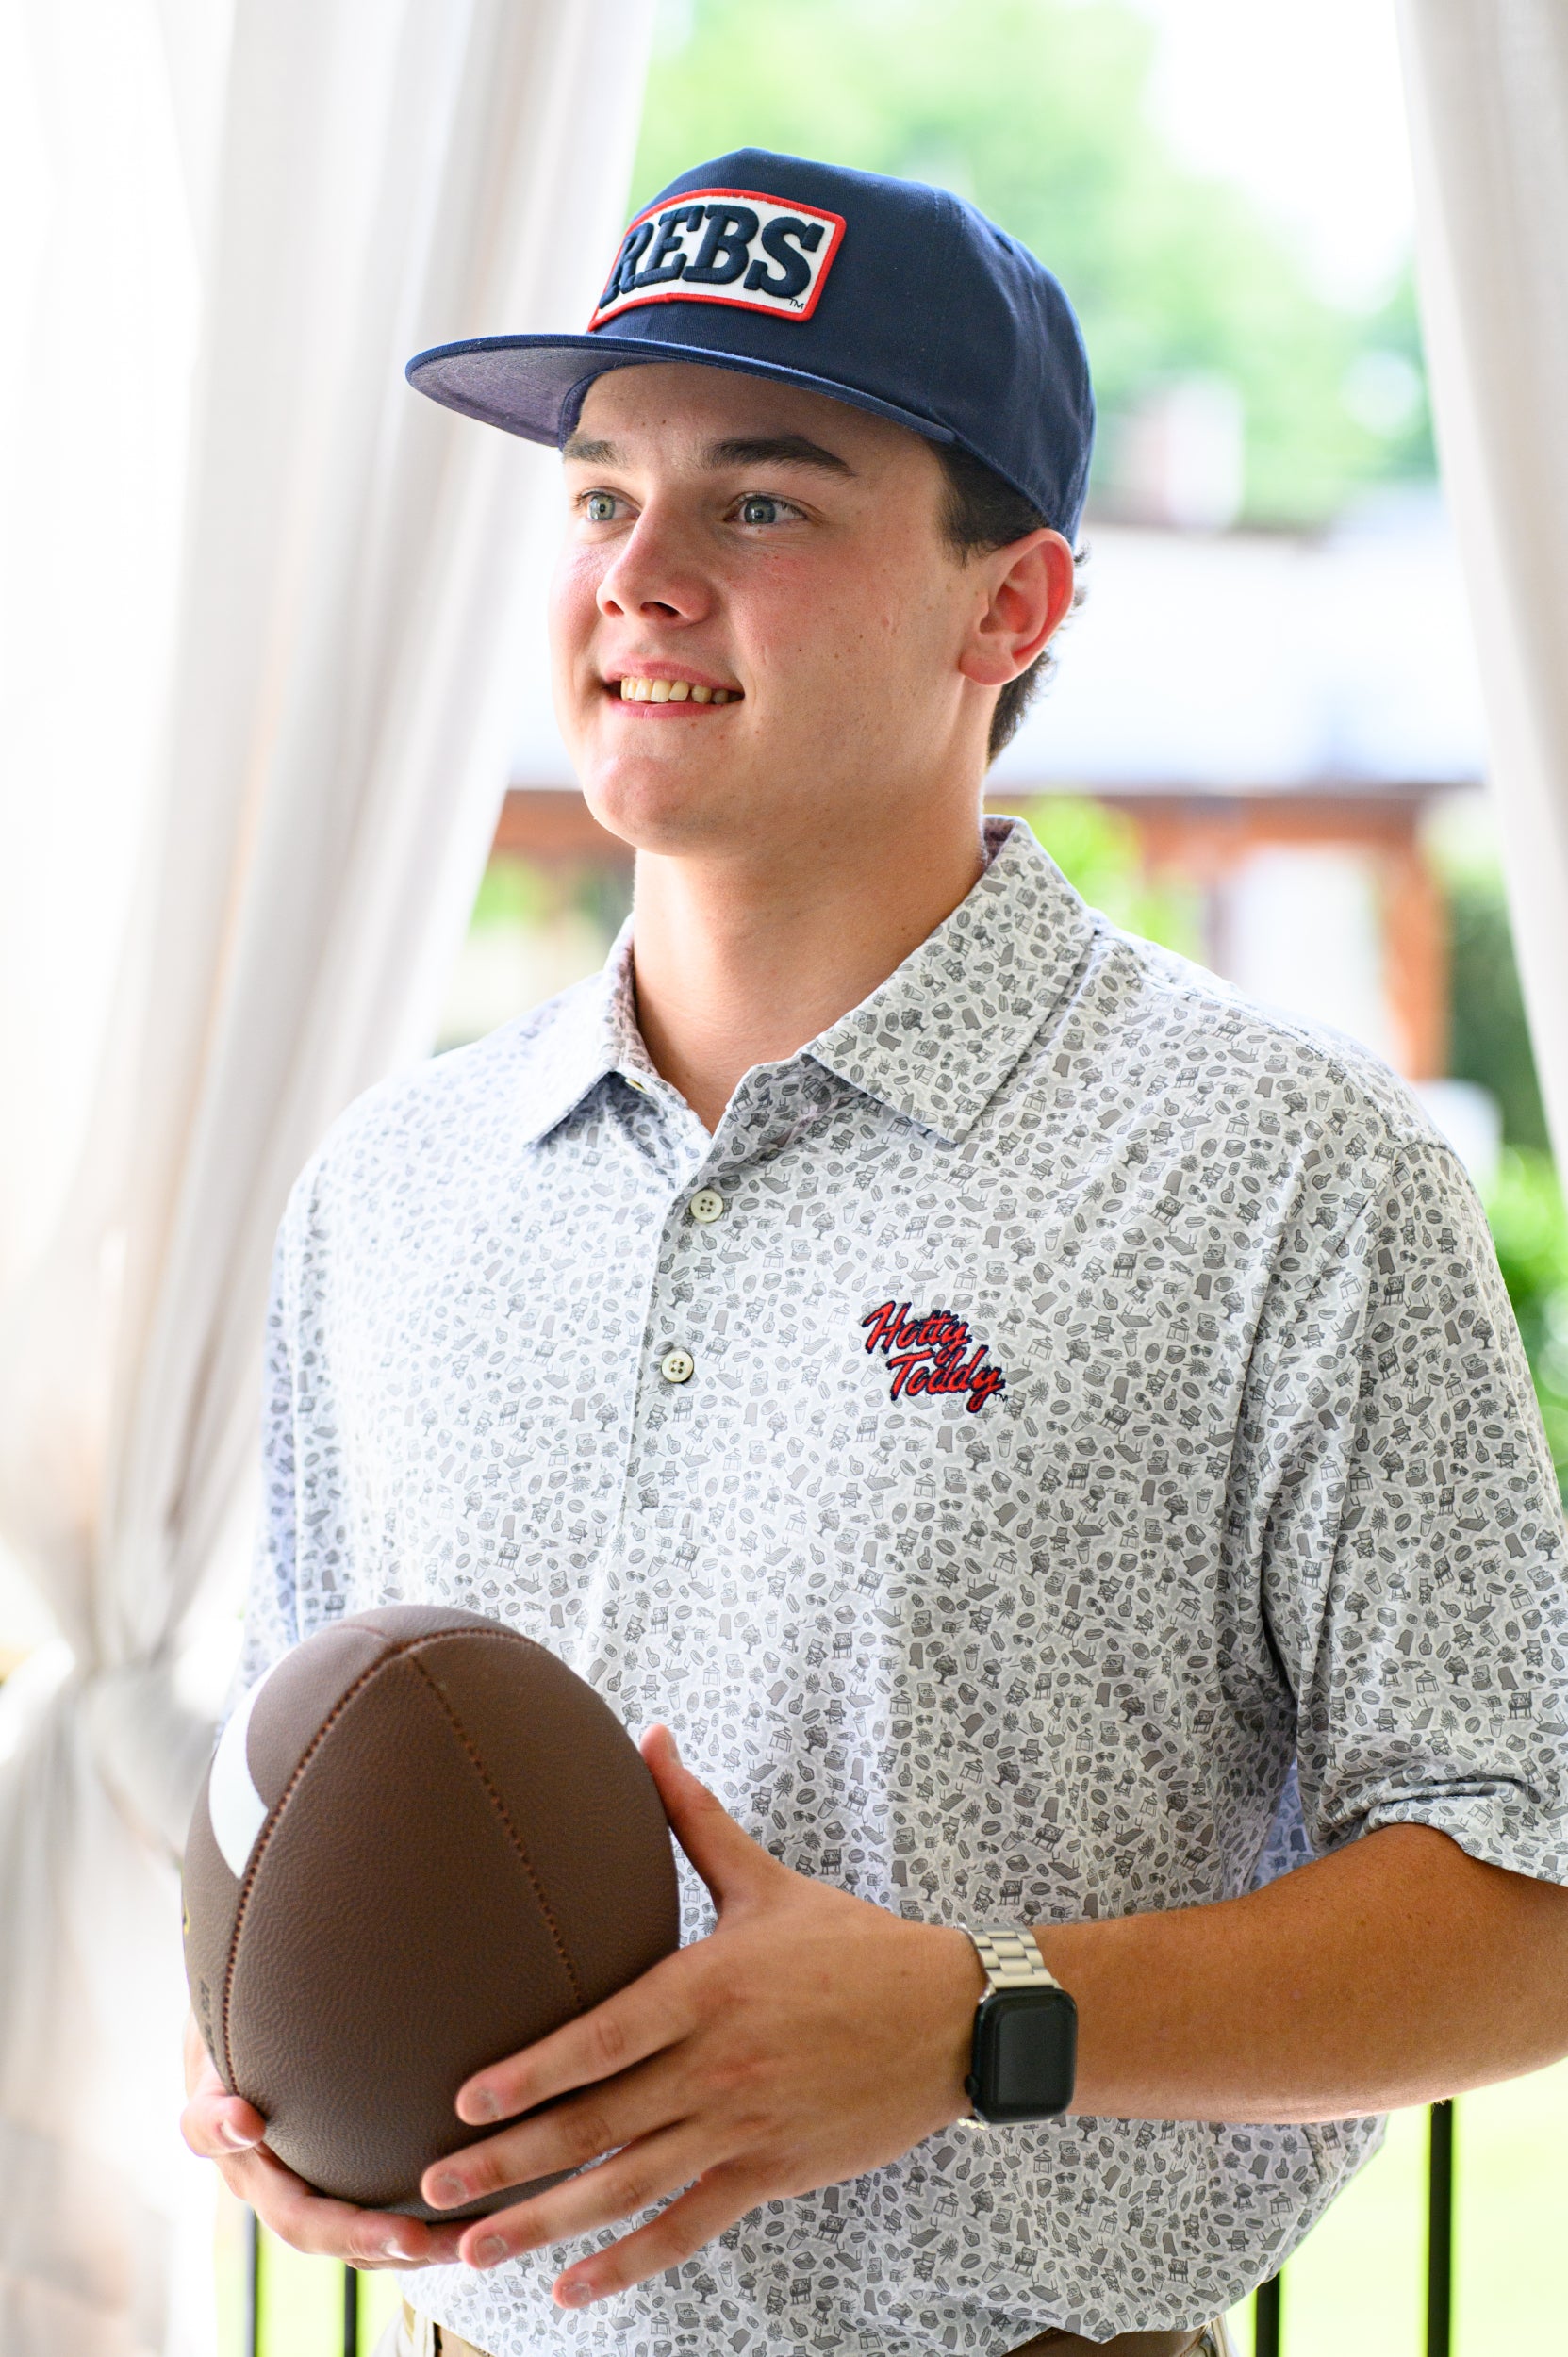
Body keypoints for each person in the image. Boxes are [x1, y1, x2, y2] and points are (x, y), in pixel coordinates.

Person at [181, 150, 1568, 2357]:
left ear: (1007, 607)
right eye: (595, 494)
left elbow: (1528, 1909)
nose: (636, 573)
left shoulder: (1283, 1168)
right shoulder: (395, 1185)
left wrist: (971, 2018)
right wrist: (282, 2077)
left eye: (760, 503)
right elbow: (307, 1783)